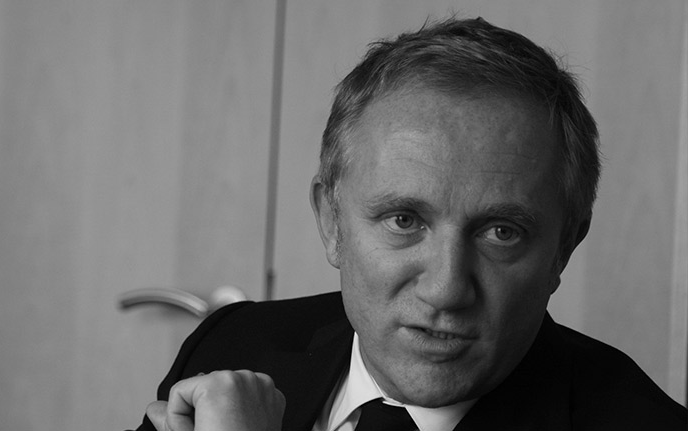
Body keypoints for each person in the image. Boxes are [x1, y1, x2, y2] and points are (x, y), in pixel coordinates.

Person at [132, 17, 687, 431]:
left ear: (563, 247)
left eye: (501, 232)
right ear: (331, 221)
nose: (446, 289)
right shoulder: (232, 348)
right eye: (404, 220)